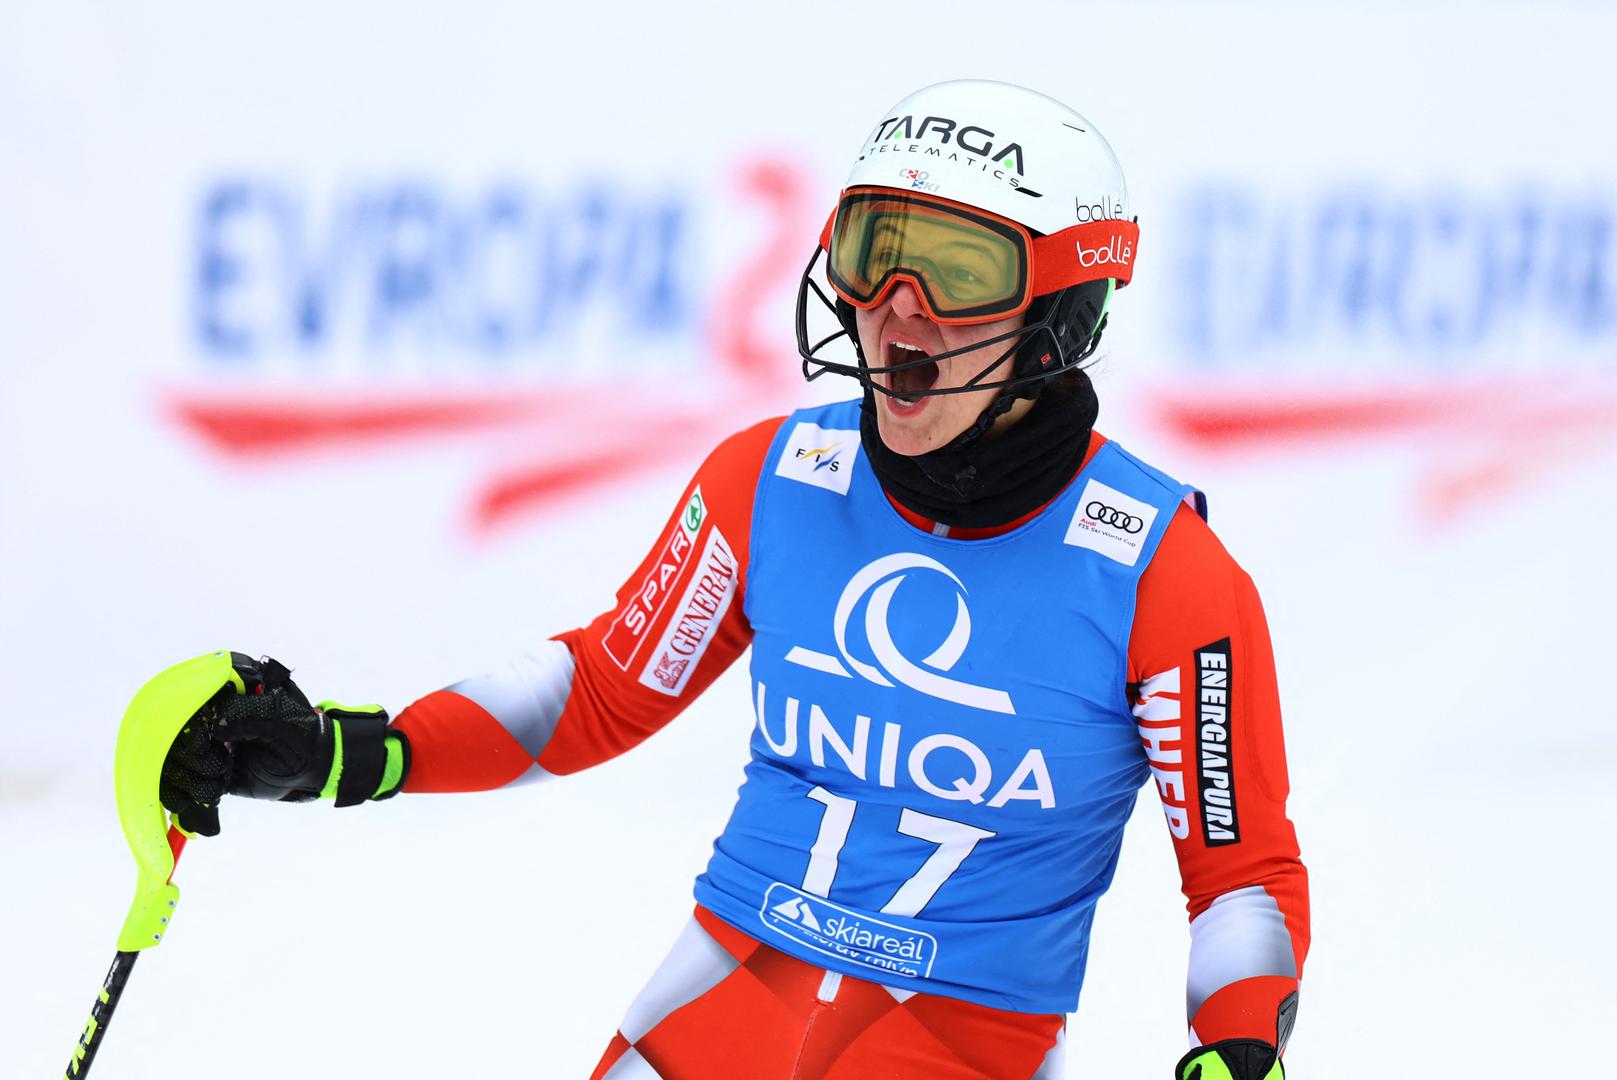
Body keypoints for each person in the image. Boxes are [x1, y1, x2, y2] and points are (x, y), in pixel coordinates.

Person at [161, 80, 1309, 1079]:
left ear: (1059, 313)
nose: (898, 304)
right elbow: (604, 688)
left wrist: (1235, 1051)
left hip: (969, 1038)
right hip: (721, 1003)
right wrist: (348, 752)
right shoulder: (773, 480)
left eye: (960, 268)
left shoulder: (1163, 572)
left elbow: (1241, 876)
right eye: (873, 249)